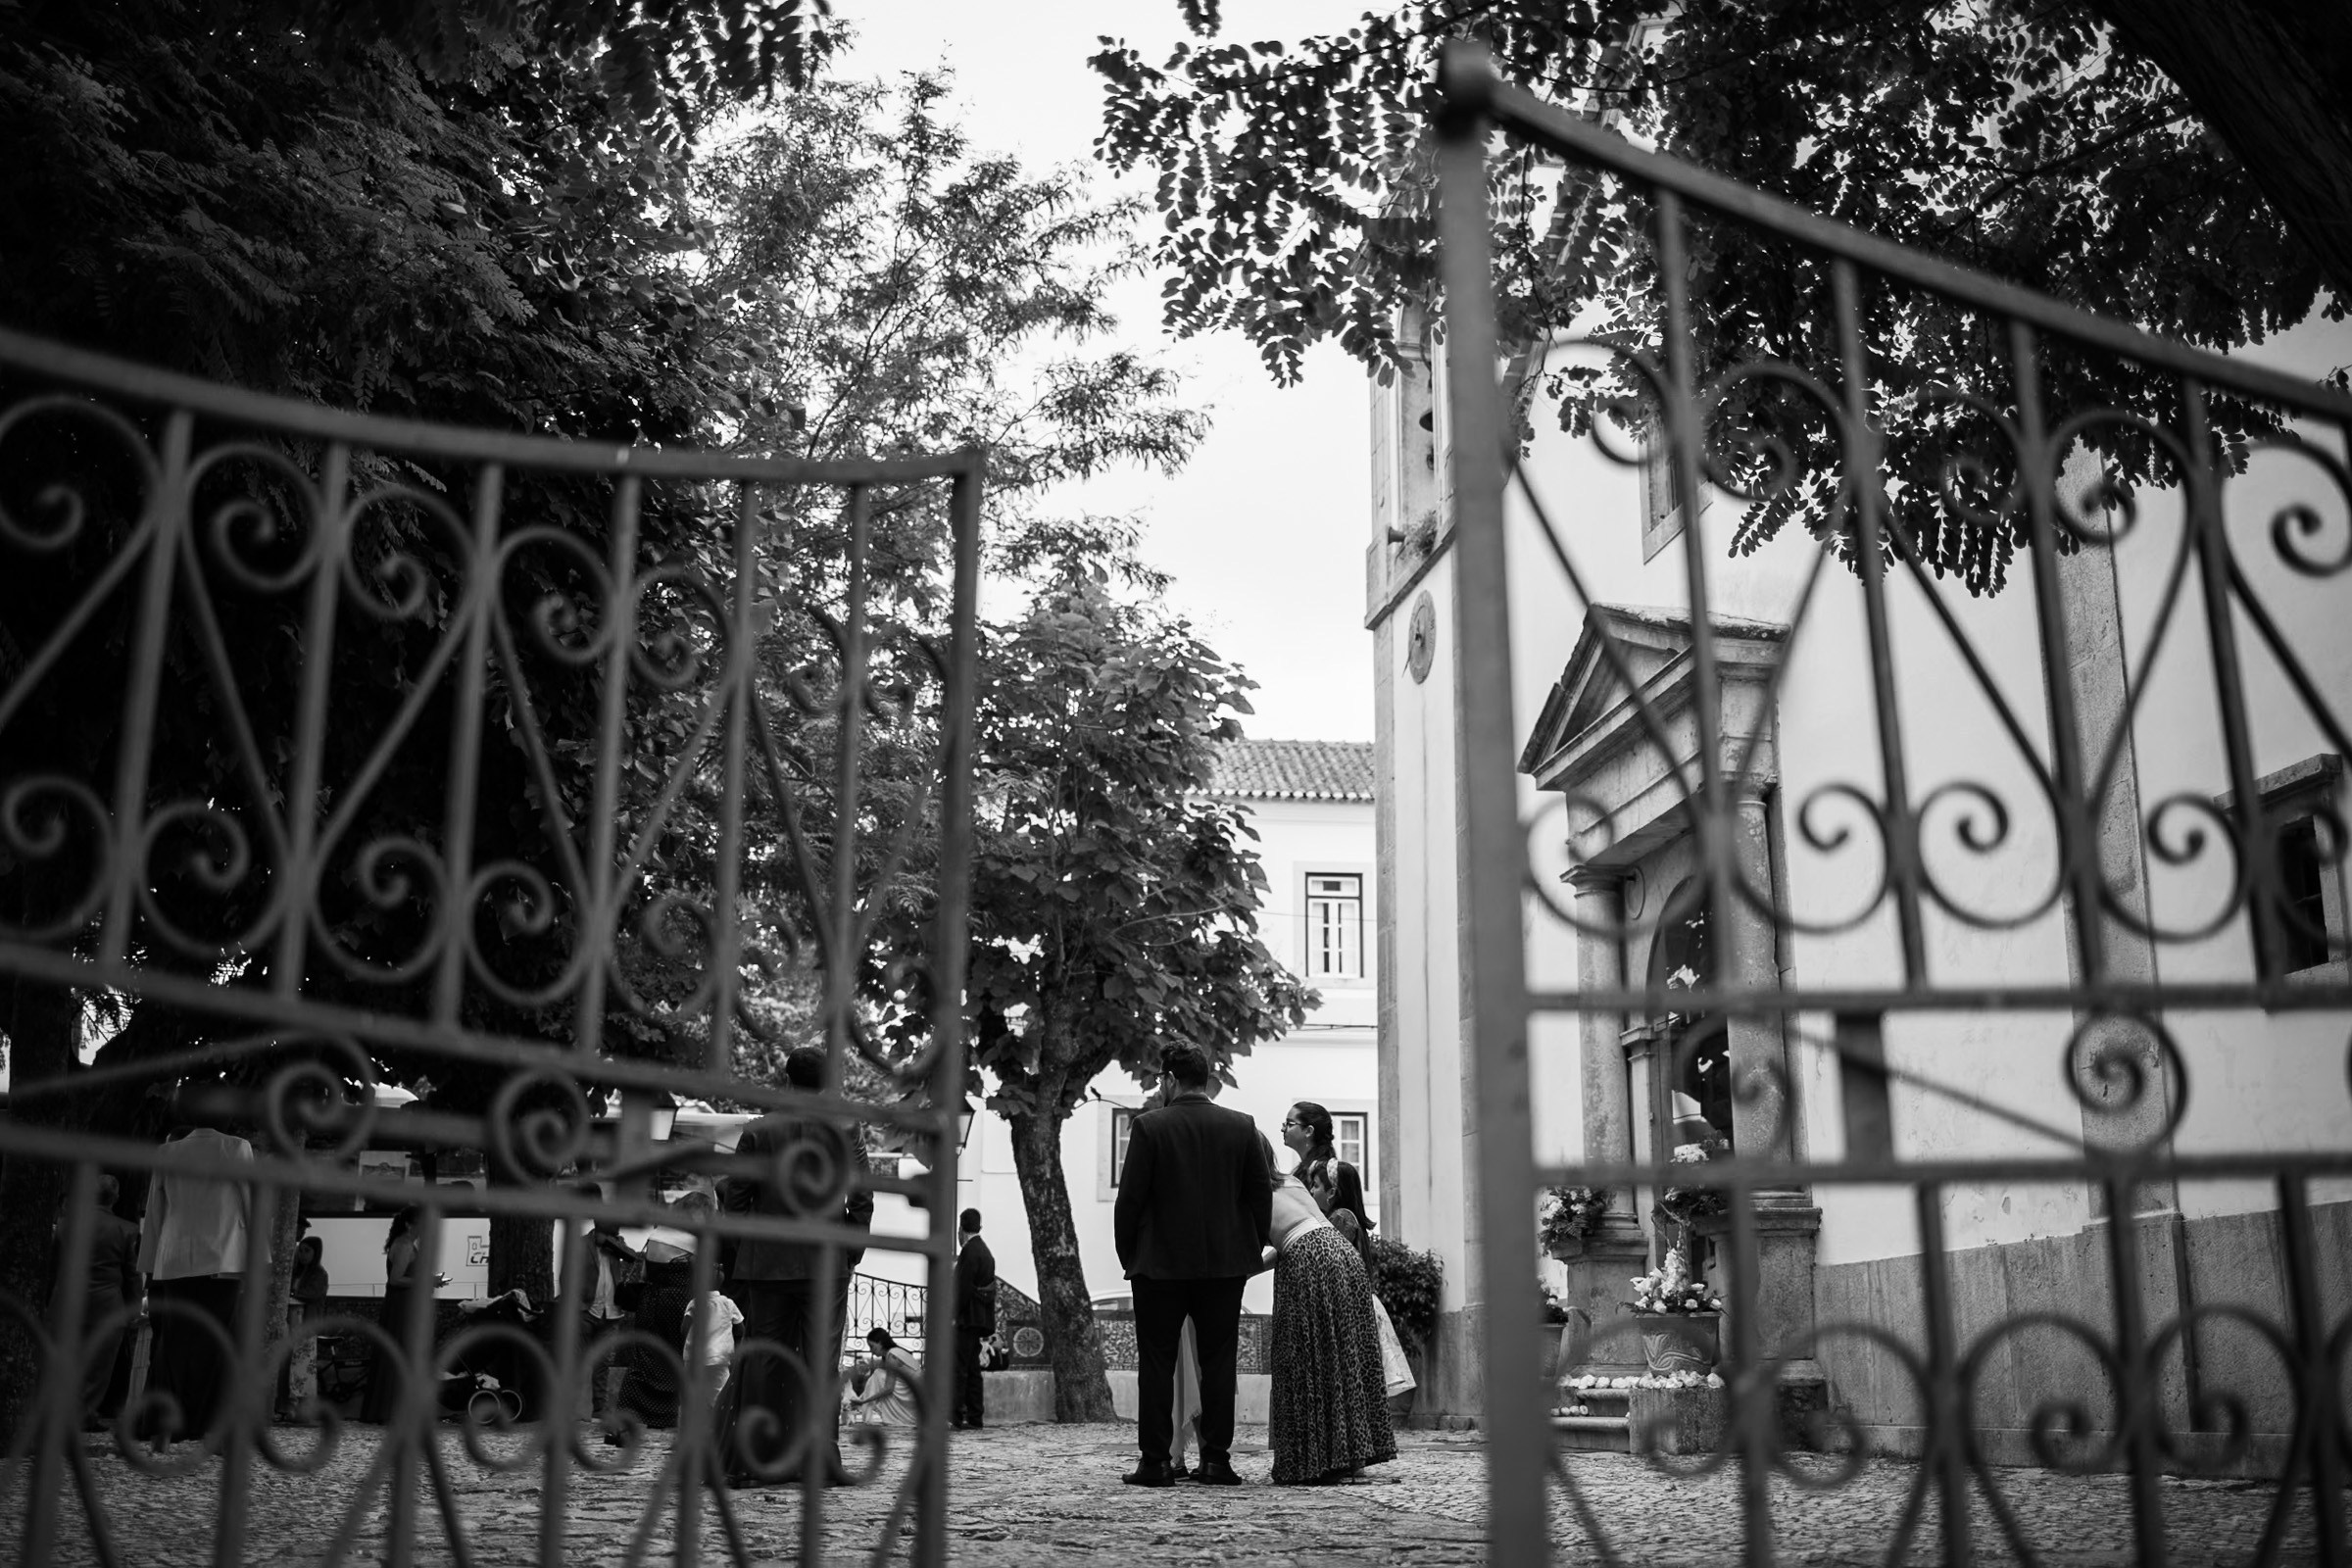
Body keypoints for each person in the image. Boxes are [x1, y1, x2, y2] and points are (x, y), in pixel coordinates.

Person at [1112, 1040, 1272, 1488]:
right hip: (1224, 1266)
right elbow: (1260, 1197)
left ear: (1168, 1080)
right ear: (1205, 1079)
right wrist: (1248, 1250)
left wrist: (1130, 1256)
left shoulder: (1149, 1127)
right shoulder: (1242, 1126)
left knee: (1157, 1363)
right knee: (1219, 1361)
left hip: (1159, 1266)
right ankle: (1216, 1460)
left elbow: (1129, 1201)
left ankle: (1156, 1462)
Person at [719, 1045, 874, 1488]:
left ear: (786, 1080)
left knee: (764, 1361)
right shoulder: (845, 1127)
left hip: (768, 1262)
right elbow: (862, 1195)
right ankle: (820, 1460)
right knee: (822, 1365)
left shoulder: (759, 1131)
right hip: (826, 1261)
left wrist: (748, 1250)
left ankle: (753, 1461)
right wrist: (851, 1251)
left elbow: (736, 1200)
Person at [1259, 1154, 1397, 1486]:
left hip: (1309, 1260)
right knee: (1345, 1359)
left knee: (1305, 1359)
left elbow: (1257, 1245)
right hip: (1344, 1257)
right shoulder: (1291, 1182)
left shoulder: (1254, 1194)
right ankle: (1350, 1457)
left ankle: (1312, 1461)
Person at [137, 1120, 256, 1447]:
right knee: (219, 1343)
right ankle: (213, 1424)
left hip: (175, 1257)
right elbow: (250, 1201)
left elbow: (155, 1210)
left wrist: (150, 1263)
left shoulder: (167, 1152)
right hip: (222, 1256)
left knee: (176, 1344)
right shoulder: (236, 1147)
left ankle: (167, 1424)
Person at [56, 1174, 143, 1432]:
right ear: (116, 1198)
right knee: (98, 1368)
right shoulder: (127, 1229)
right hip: (107, 1305)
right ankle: (83, 1415)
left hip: (67, 1301)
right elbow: (132, 1275)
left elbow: (53, 1267)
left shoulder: (65, 1224)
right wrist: (134, 1308)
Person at [362, 1205, 449, 1424]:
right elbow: (395, 1279)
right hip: (401, 1306)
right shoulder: (403, 1245)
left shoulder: (408, 1244)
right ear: (410, 1224)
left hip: (406, 1303)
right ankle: (391, 1410)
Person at [1283, 1102, 1373, 1266]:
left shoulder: (1319, 1173)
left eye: (1289, 1124)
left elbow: (1299, 1231)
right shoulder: (1311, 1171)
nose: (1283, 1129)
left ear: (1309, 1131)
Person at [276, 1234, 329, 1422]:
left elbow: (313, 1294)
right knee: (286, 1364)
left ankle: (302, 1409)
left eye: (307, 1251)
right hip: (290, 1322)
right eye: (301, 1251)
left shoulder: (320, 1274)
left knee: (302, 1366)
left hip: (306, 1323)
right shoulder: (296, 1272)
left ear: (316, 1253)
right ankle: (285, 1406)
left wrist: (293, 1293)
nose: (303, 1255)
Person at [951, 1207, 996, 1430]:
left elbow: (963, 1288)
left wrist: (953, 1315)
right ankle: (975, 1417)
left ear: (961, 1229)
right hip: (978, 1318)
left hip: (967, 1318)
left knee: (959, 1368)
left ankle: (956, 1416)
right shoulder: (984, 1251)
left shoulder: (970, 1252)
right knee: (972, 1369)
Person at [845, 1327, 923, 1427]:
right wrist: (862, 1399)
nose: (871, 1350)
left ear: (881, 1342)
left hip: (912, 1395)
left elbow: (888, 1388)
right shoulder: (895, 1352)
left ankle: (868, 1415)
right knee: (878, 1374)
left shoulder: (892, 1356)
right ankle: (864, 1408)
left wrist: (864, 1401)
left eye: (872, 1346)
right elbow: (873, 1384)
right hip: (916, 1393)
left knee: (878, 1375)